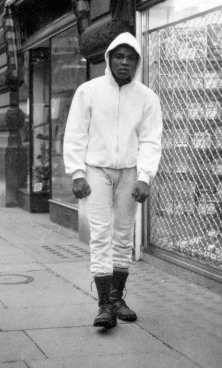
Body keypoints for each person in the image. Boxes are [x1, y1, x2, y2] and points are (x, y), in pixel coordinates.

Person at [63, 32, 162, 329]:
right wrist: (76, 172)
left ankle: (117, 298)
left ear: (138, 62)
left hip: (130, 170)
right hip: (96, 170)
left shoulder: (147, 97)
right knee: (100, 233)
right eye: (119, 56)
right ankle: (104, 304)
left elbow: (151, 139)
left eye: (131, 57)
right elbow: (76, 133)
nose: (125, 62)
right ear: (108, 58)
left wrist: (145, 176)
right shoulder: (88, 91)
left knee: (123, 234)